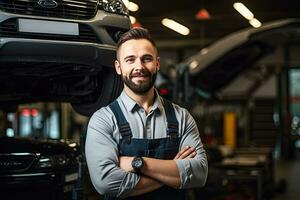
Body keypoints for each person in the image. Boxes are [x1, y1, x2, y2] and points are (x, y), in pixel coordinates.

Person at [85, 27, 208, 200]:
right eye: (130, 60)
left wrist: (138, 164)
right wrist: (174, 172)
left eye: (146, 59)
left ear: (157, 64)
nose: (139, 67)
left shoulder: (182, 117)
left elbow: (199, 174)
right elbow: (106, 182)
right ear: (118, 67)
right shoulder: (103, 120)